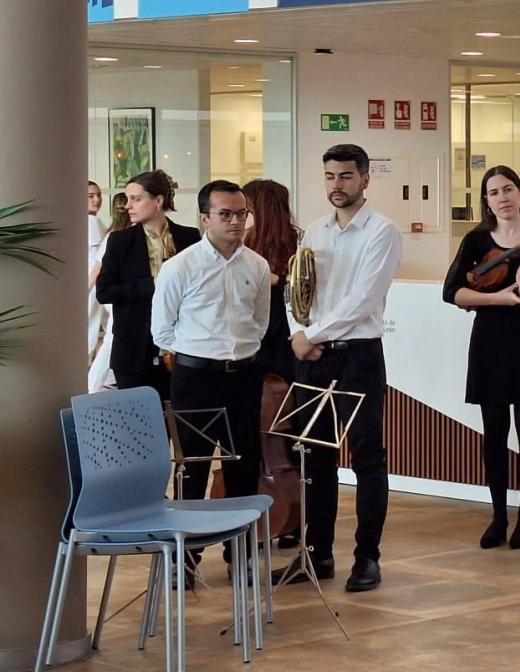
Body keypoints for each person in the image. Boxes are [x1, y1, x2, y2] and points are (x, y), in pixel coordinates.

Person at [286, 144, 402, 593]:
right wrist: (299, 333)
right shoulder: (315, 230)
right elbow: (296, 289)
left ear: (365, 179)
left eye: (346, 176)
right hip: (314, 356)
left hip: (359, 356)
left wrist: (310, 335)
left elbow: (363, 300)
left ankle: (367, 558)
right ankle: (317, 555)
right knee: (315, 457)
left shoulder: (382, 231)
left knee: (367, 457)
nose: (336, 185)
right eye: (330, 176)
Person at [443, 166, 520, 549]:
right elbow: (453, 292)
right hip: (490, 341)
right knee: (495, 430)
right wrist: (497, 299)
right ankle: (498, 516)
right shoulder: (476, 241)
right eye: (495, 192)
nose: (503, 197)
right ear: (486, 200)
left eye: (509, 189)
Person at [151, 180, 271, 531]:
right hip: (196, 378)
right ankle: (188, 552)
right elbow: (162, 330)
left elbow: (260, 323)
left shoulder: (257, 265)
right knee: (192, 467)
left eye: (241, 214)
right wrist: (200, 351)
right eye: (226, 214)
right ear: (205, 219)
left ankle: (239, 550)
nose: (236, 221)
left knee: (244, 466)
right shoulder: (181, 266)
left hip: (244, 376)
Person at [96, 171, 200, 399]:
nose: (128, 206)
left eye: (136, 199)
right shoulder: (120, 241)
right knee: (138, 417)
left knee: (179, 414)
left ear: (158, 201)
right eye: (127, 199)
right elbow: (104, 292)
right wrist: (152, 285)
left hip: (181, 345)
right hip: (133, 349)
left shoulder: (189, 237)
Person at [242, 179, 301, 381]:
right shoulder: (241, 244)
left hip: (283, 339)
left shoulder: (299, 242)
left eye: (245, 211)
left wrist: (276, 280)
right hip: (250, 339)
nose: (238, 218)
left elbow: (307, 291)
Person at [86, 193, 131, 393]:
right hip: (113, 295)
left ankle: (106, 382)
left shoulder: (110, 234)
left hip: (109, 293)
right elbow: (97, 268)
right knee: (111, 339)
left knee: (112, 337)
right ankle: (92, 388)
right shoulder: (112, 235)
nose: (96, 199)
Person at [85, 181, 107, 362]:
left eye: (98, 195)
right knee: (90, 327)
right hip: (94, 283)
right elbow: (97, 261)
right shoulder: (92, 222)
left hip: (92, 282)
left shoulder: (90, 221)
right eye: (91, 196)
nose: (97, 199)